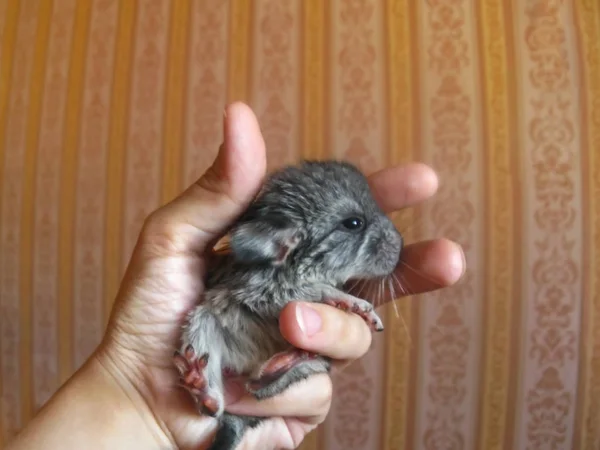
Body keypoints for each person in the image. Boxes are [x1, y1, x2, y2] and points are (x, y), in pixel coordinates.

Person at [5, 102, 464, 450]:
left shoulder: (318, 284)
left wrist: (346, 300)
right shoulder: (268, 248)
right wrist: (138, 400)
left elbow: (315, 292)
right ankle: (211, 381)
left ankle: (272, 381)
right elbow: (263, 286)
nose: (390, 239)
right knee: (204, 319)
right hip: (234, 322)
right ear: (283, 242)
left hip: (262, 360)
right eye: (355, 224)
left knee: (315, 349)